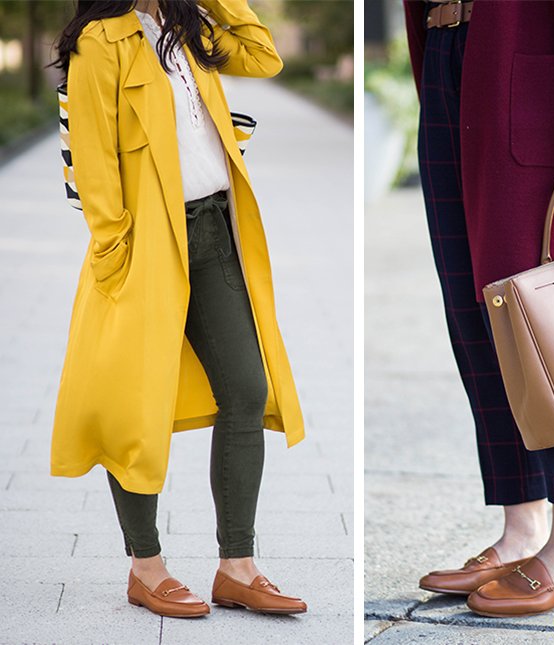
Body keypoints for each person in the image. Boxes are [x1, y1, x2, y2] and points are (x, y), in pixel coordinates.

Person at [51, 0, 306, 617]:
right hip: (144, 244)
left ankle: (237, 567)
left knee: (246, 389)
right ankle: (147, 567)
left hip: (215, 228)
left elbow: (264, 55)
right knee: (131, 405)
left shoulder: (187, 28)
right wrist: (116, 250)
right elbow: (91, 156)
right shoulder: (99, 40)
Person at [403, 0, 554, 617]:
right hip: (450, 62)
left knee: (538, 326)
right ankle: (522, 526)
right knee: (476, 320)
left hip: (525, 82)